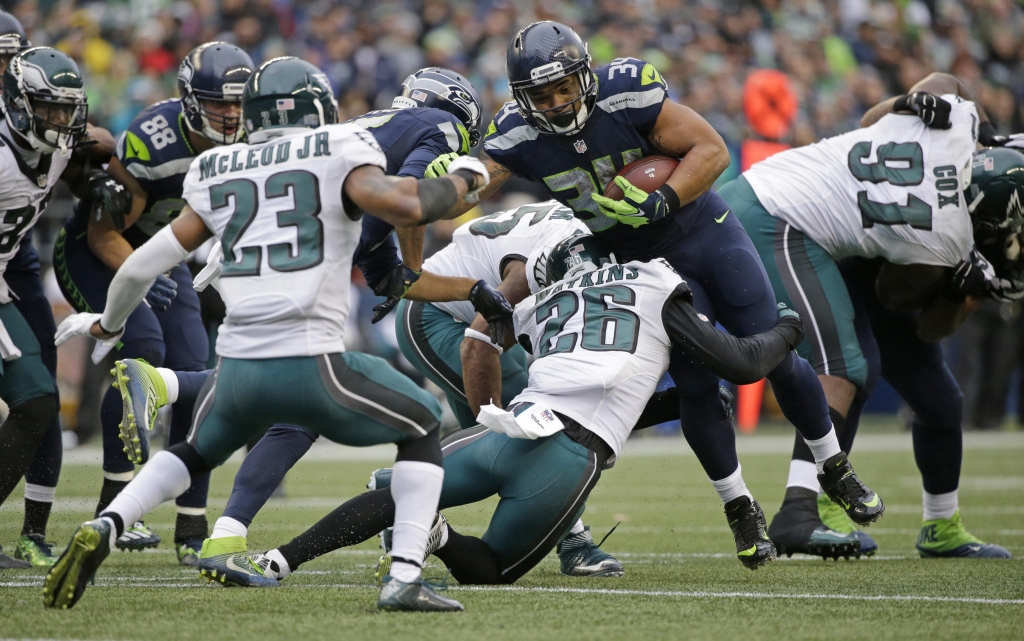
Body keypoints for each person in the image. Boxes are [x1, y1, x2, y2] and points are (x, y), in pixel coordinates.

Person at [44, 55, 493, 612]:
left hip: (236, 369)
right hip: (313, 362)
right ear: (321, 107)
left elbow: (139, 267)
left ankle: (109, 524)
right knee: (422, 421)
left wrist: (106, 326)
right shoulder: (340, 147)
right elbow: (404, 203)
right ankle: (403, 575)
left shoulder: (218, 165)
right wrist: (467, 177)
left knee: (193, 451)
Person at [430, 21, 883, 543]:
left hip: (703, 234)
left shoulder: (627, 93)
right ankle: (738, 506)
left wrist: (661, 200)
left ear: (586, 77)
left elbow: (712, 150)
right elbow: (467, 190)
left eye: (564, 87)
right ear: (521, 98)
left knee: (774, 352)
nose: (556, 102)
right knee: (696, 387)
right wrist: (445, 178)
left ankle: (834, 465)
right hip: (643, 266)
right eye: (542, 94)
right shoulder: (517, 132)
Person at [226, 232, 805, 588]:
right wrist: (787, 326)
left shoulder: (551, 291)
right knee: (493, 570)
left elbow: (509, 347)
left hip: (514, 424)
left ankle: (277, 560)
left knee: (399, 492)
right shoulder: (658, 283)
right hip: (573, 456)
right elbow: (745, 362)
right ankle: (439, 536)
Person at [724, 72, 1017, 559]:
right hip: (783, 217)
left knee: (940, 401)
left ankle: (941, 527)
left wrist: (910, 100)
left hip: (846, 237)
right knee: (845, 366)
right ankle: (802, 509)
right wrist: (964, 293)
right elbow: (903, 305)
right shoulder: (946, 236)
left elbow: (942, 84)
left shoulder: (961, 124)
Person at [52, 41, 254, 565]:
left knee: (195, 374)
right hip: (102, 253)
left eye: (238, 103)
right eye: (218, 103)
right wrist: (142, 270)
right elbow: (103, 234)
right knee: (142, 348)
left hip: (166, 256)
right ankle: (118, 504)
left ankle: (191, 526)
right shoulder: (155, 140)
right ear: (189, 100)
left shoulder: (250, 140)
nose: (231, 115)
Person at [0, 46, 123, 568]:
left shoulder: (60, 145)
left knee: (37, 399)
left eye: (66, 110)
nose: (59, 121)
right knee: (34, 399)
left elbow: (90, 150)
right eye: (48, 109)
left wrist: (93, 182)